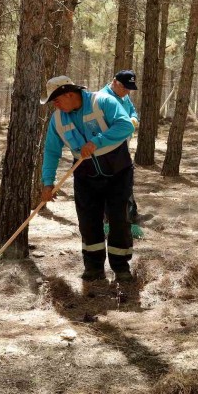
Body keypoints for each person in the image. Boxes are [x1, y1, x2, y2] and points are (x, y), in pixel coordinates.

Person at [41, 76, 135, 283]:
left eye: (56, 100)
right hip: (85, 174)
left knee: (119, 219)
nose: (54, 105)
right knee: (88, 222)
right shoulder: (57, 119)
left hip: (118, 170)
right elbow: (51, 151)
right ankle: (93, 267)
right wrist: (48, 182)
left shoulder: (102, 101)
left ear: (69, 94)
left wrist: (97, 141)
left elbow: (126, 126)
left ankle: (121, 267)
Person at [99, 70, 144, 236]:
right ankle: (107, 219)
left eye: (130, 88)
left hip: (123, 145)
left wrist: (133, 119)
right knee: (108, 182)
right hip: (107, 148)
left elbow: (132, 110)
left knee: (125, 181)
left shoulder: (125, 96)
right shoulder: (102, 98)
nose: (127, 91)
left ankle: (130, 215)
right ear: (114, 82)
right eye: (125, 88)